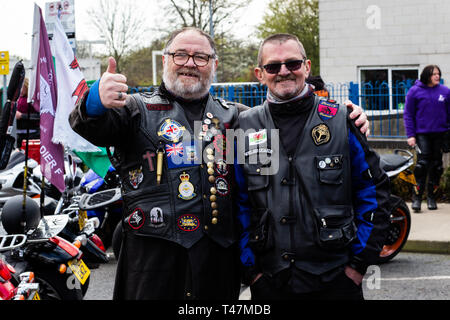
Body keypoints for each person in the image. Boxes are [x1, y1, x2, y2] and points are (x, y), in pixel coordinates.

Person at [70, 27, 369, 300]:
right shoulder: (136, 109)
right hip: (152, 262)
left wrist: (347, 118)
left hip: (216, 262)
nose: (190, 63)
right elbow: (91, 126)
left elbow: (285, 148)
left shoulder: (237, 118)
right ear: (165, 61)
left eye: (200, 57)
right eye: (181, 55)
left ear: (214, 64)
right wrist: (96, 99)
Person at [237, 33, 391, 300]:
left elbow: (374, 193)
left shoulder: (342, 119)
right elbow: (235, 205)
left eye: (293, 64)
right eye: (273, 66)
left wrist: (357, 267)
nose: (284, 71)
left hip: (336, 282)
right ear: (260, 74)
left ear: (307, 68)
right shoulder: (243, 126)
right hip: (271, 283)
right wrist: (251, 273)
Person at [404, 65, 450, 212]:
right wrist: (411, 135)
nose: (437, 76)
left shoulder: (445, 92)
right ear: (426, 75)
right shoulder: (415, 91)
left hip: (440, 134)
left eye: (438, 74)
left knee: (436, 167)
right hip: (422, 134)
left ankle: (431, 198)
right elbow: (408, 114)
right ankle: (417, 199)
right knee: (421, 166)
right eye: (433, 74)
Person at [15, 78, 40, 148]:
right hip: (19, 135)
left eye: (22, 87)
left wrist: (22, 116)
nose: (20, 90)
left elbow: (39, 116)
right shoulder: (17, 99)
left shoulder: (33, 100)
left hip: (32, 134)